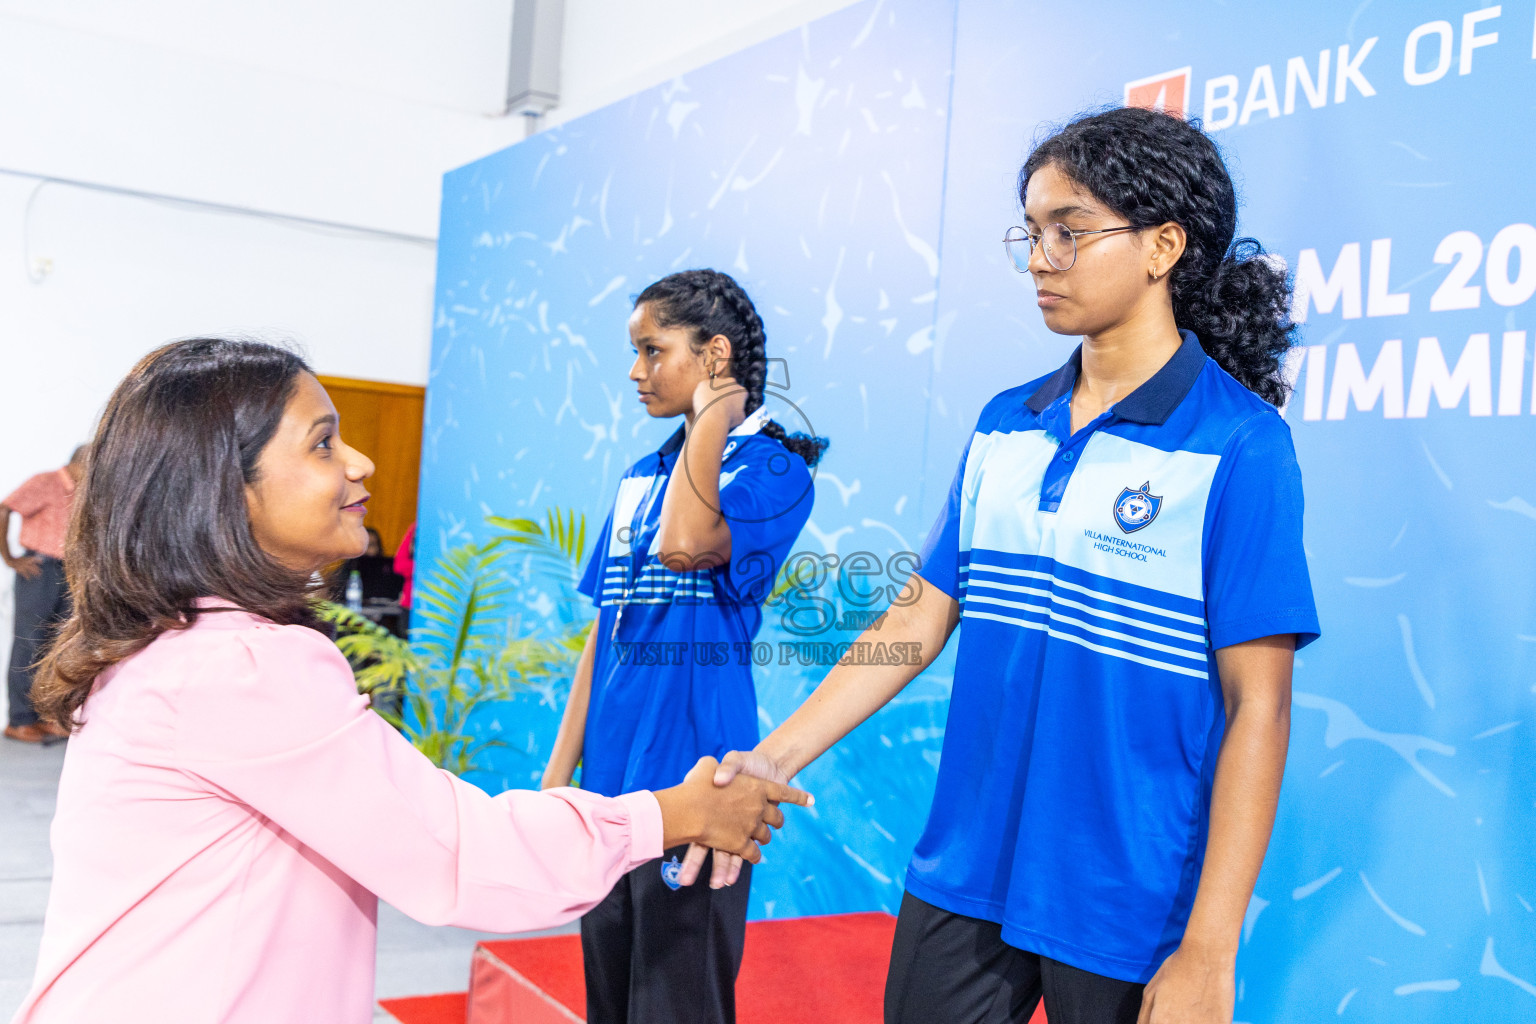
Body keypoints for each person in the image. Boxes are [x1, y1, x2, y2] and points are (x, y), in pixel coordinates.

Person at [692, 107, 1320, 1024]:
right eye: (1031, 233)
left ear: (1163, 247)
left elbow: (1258, 704)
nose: (1040, 258)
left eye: (1070, 232)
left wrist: (1210, 948)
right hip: (967, 868)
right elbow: (915, 619)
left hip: (1127, 899)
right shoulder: (1005, 422)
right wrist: (770, 759)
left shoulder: (1240, 444)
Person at [12, 337, 810, 1024]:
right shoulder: (242, 667)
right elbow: (459, 854)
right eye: (323, 443)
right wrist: (674, 811)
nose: (359, 462)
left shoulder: (174, 643)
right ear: (224, 489)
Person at [541, 269, 828, 1024]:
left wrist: (713, 418)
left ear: (714, 356)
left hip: (699, 785)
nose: (636, 372)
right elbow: (604, 632)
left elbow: (686, 542)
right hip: (610, 783)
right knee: (610, 999)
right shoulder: (642, 474)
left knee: (676, 1007)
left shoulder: (776, 466)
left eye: (652, 350)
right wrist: (557, 778)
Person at [2, 446, 87, 743]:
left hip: (70, 570)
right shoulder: (46, 482)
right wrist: (10, 558)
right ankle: (20, 720)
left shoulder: (83, 490)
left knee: (58, 643)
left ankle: (48, 716)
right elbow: (5, 507)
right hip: (39, 569)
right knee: (28, 641)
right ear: (78, 463)